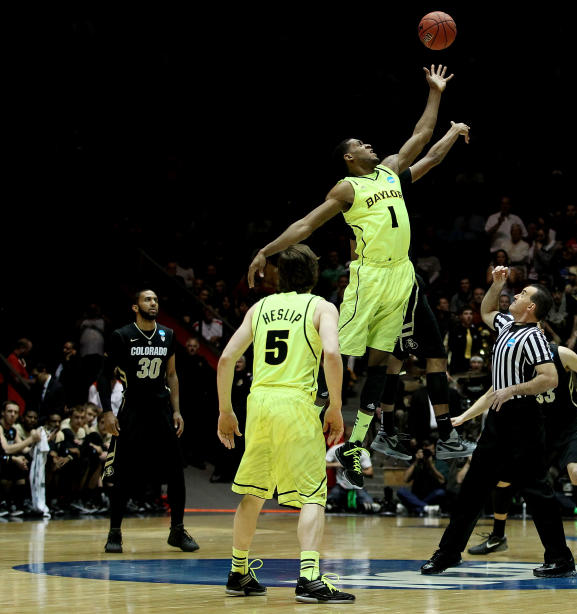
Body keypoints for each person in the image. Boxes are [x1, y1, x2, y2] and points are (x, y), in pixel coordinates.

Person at [246, 66, 457, 486]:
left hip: (401, 275)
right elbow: (306, 226)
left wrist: (435, 93)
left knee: (381, 362)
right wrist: (265, 251)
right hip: (371, 278)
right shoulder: (346, 189)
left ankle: (354, 444)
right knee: (341, 348)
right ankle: (314, 394)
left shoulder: (392, 170)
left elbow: (422, 135)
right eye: (361, 143)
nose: (370, 144)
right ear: (348, 157)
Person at [216, 244, 353, 603]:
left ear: (279, 276)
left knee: (254, 490)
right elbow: (333, 353)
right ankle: (309, 578)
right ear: (313, 274)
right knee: (313, 493)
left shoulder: (259, 308)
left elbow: (227, 357)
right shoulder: (321, 306)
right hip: (295, 402)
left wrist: (225, 411)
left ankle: (238, 571)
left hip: (259, 403)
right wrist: (335, 405)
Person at [419, 266, 576, 578]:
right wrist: (497, 283)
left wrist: (515, 389)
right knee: (472, 490)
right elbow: (487, 308)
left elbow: (550, 377)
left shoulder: (535, 337)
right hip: (498, 421)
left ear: (530, 307)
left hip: (524, 419)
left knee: (537, 491)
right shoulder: (506, 324)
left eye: (520, 295)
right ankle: (448, 553)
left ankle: (560, 558)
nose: (514, 296)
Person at [454, 340, 577, 560]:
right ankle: (498, 537)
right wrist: (463, 417)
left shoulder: (560, 354)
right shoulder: (515, 362)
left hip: (570, 427)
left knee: (575, 471)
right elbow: (492, 394)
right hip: (538, 430)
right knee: (503, 477)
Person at [369, 122, 476, 466]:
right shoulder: (357, 192)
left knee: (414, 357)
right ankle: (403, 431)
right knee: (408, 359)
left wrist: (453, 131)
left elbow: (429, 156)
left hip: (403, 283)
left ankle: (437, 434)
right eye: (362, 146)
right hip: (393, 285)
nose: (371, 148)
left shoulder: (390, 185)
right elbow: (419, 142)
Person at [98, 290, 197, 554]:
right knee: (122, 473)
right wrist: (107, 412)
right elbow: (104, 376)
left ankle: (177, 530)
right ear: (135, 307)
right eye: (147, 300)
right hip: (133, 411)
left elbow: (172, 375)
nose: (153, 303)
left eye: (155, 299)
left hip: (162, 411)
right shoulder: (121, 336)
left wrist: (177, 411)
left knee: (176, 472)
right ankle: (115, 533)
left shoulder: (168, 335)